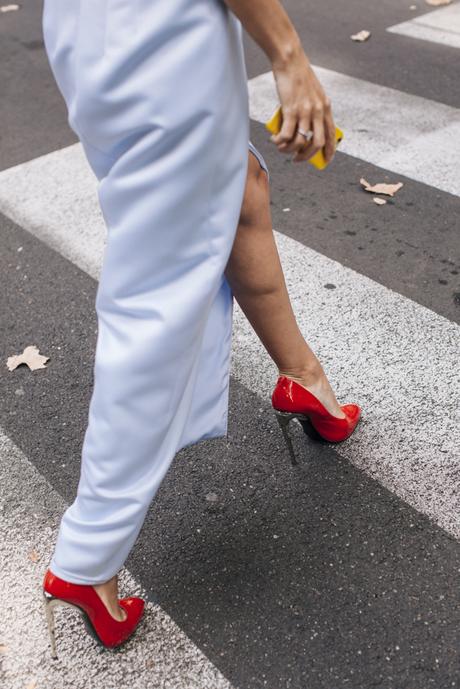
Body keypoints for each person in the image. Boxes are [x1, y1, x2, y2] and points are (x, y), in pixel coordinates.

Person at [41, 0, 361, 657]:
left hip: (90, 31)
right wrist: (289, 56)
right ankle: (88, 553)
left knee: (239, 189)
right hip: (156, 35)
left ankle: (306, 380)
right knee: (157, 291)